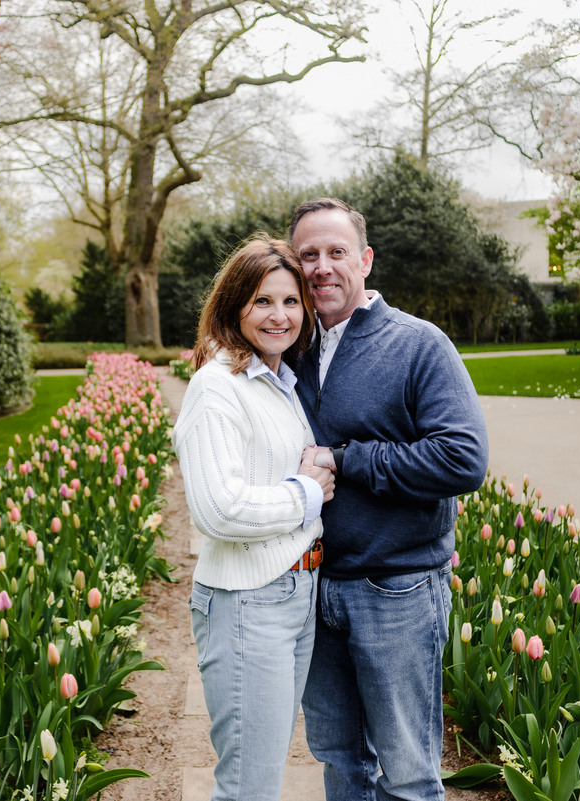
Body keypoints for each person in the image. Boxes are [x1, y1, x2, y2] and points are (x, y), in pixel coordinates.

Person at [288, 198, 489, 801]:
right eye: (308, 256)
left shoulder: (418, 345)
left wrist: (348, 460)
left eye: (336, 252)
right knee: (340, 758)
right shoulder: (287, 349)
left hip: (396, 588)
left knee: (407, 771)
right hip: (313, 585)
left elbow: (463, 459)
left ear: (366, 260)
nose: (322, 267)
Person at [172, 233, 336, 801]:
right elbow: (219, 509)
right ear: (233, 305)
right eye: (262, 301)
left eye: (292, 302)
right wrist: (306, 493)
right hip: (248, 603)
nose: (280, 315)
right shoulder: (217, 388)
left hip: (293, 593)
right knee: (248, 787)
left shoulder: (277, 381)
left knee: (261, 775)